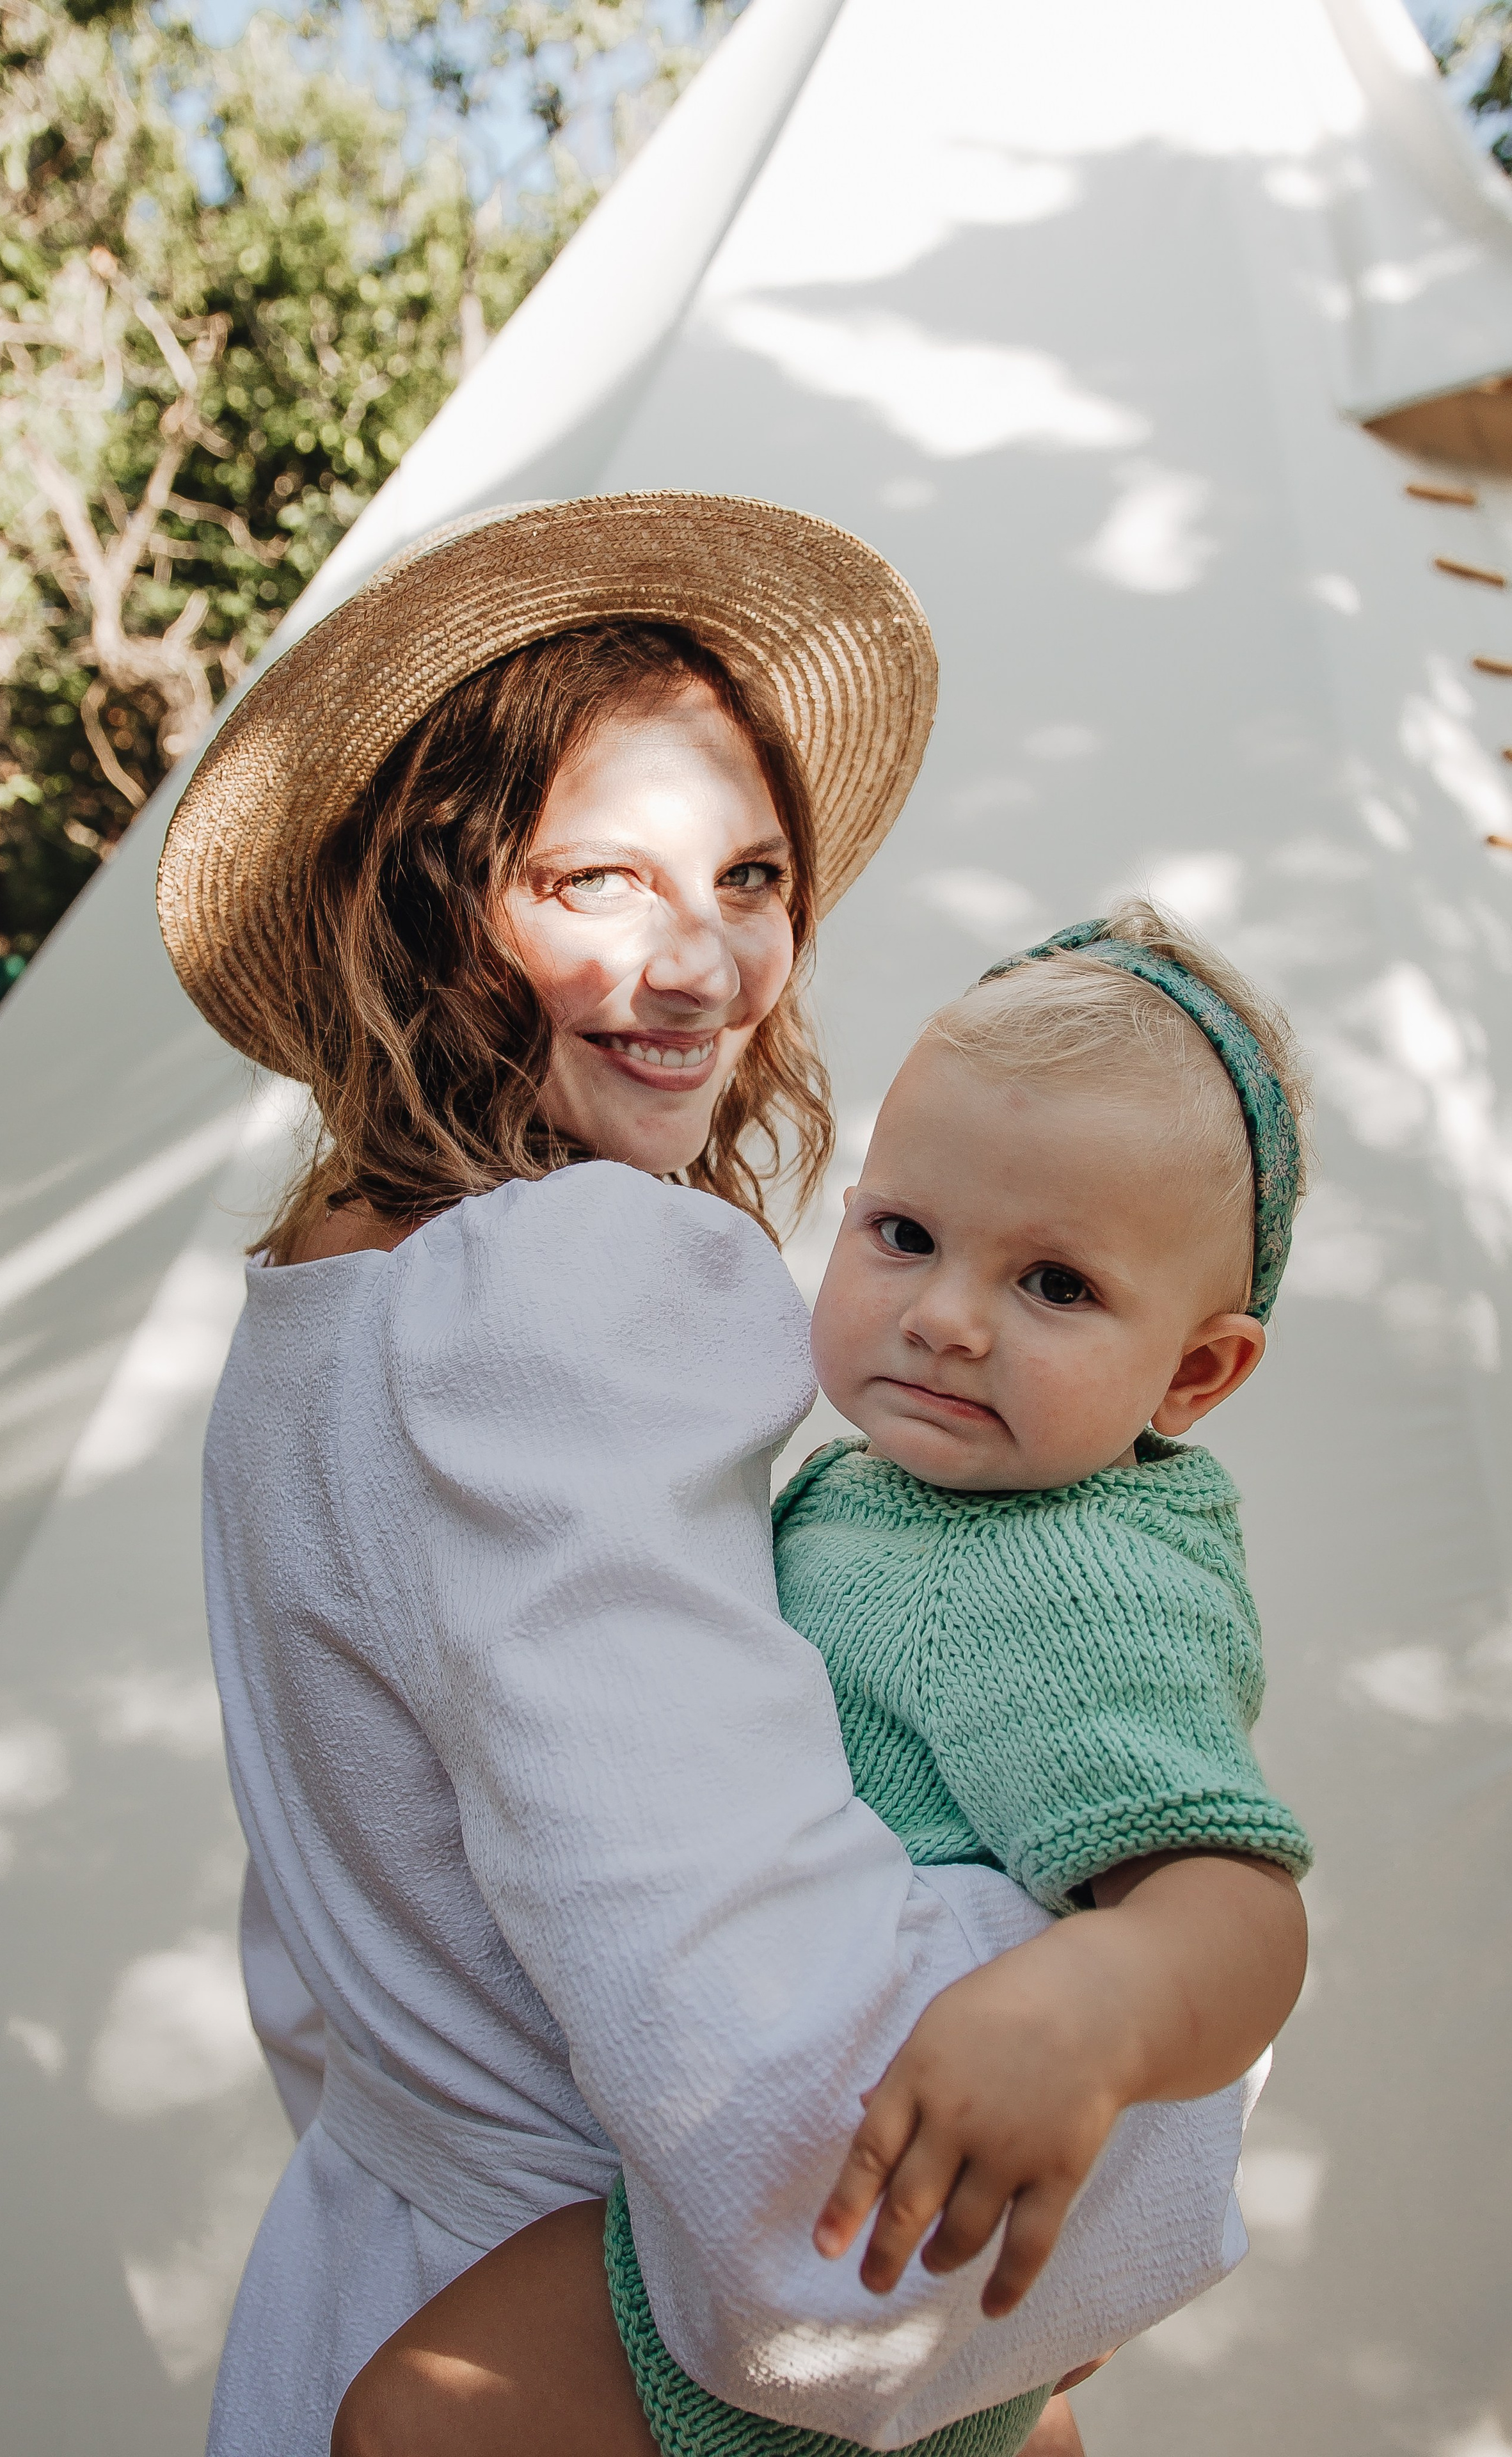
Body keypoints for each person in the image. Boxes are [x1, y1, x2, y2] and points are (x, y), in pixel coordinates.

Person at [155, 497, 1305, 2457]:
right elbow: (779, 2101)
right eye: (596, 877)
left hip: (369, 2251)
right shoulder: (568, 1279)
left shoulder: (314, 1301)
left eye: (751, 876)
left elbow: (337, 1964)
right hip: (600, 2332)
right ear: (440, 898)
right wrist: (1097, 2213)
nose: (701, 965)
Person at [329, 902, 1313, 2457]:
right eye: (903, 1236)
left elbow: (1235, 1901)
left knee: (409, 2417)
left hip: (847, 2219)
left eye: (1053, 1286)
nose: (941, 1317)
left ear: (1194, 1374)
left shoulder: (1070, 1574)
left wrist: (1093, 2012)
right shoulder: (905, 1489)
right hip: (828, 2196)